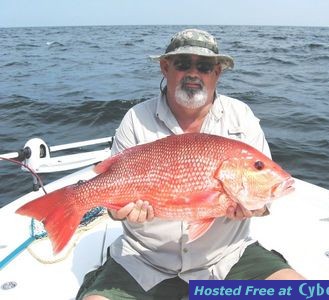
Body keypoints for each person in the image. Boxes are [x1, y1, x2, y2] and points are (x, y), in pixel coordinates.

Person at [77, 28, 304, 300]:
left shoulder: (241, 117)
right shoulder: (135, 119)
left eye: (205, 66)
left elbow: (263, 197)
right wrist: (122, 211)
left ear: (217, 73)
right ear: (165, 68)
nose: (194, 73)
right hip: (144, 259)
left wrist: (254, 209)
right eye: (183, 64)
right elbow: (114, 198)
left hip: (226, 257)